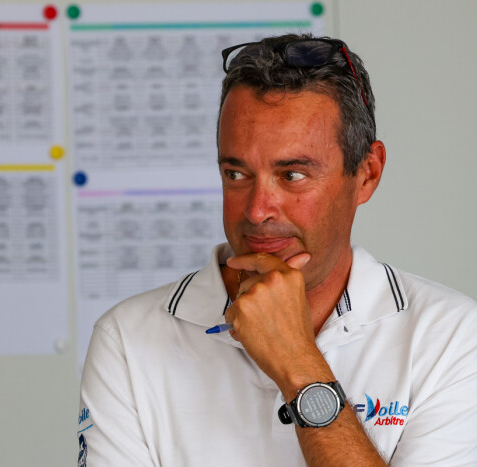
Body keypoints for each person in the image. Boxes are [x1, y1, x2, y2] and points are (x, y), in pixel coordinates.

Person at [77, 33, 477, 466]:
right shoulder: (128, 338)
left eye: (292, 175)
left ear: (367, 174)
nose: (257, 210)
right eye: (236, 174)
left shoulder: (451, 337)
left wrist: (298, 363)